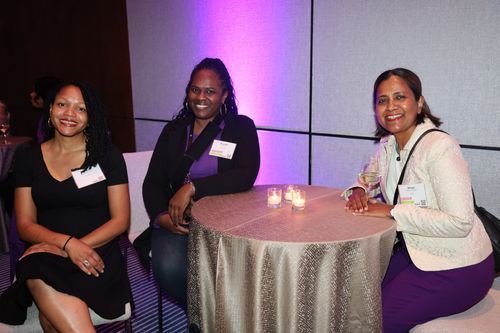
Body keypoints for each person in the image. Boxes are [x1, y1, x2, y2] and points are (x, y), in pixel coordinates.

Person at [343, 68, 494, 332]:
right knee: (360, 303)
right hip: (415, 251)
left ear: (419, 102)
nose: (391, 107)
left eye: (400, 97)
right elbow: (367, 176)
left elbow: (460, 222)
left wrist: (391, 211)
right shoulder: (389, 145)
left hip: (459, 265)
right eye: (382, 100)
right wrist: (358, 190)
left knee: (379, 321)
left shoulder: (439, 148)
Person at [0, 81, 132, 332]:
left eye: (81, 108)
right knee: (35, 267)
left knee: (50, 319)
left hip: (96, 254)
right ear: (50, 110)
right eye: (62, 104)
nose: (70, 114)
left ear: (90, 116)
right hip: (48, 252)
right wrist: (67, 245)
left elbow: (120, 220)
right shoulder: (28, 158)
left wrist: (76, 248)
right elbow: (25, 224)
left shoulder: (108, 155)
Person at [142, 58, 260, 310]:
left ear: (224, 95)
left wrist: (193, 187)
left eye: (210, 91)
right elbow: (153, 181)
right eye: (195, 89)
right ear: (188, 92)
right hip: (179, 221)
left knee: (241, 272)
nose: (201, 97)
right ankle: (205, 317)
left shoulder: (241, 128)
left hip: (227, 222)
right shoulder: (174, 131)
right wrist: (161, 217)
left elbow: (245, 174)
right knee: (171, 268)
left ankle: (214, 318)